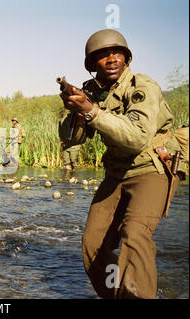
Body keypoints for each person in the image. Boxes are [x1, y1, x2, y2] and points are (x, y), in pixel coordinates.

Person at [59, 29, 185, 299]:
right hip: (116, 173)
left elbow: (136, 138)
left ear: (126, 58)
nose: (111, 59)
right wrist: (75, 113)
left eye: (117, 53)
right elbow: (71, 140)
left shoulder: (142, 86)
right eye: (102, 56)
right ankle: (116, 295)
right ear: (93, 65)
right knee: (93, 244)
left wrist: (91, 112)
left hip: (151, 168)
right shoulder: (92, 91)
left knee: (135, 234)